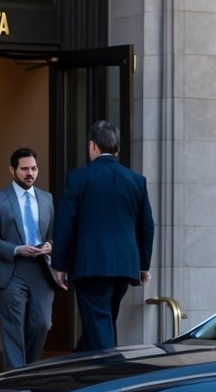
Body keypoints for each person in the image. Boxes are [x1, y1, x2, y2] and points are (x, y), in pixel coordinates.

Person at [52, 121, 155, 351]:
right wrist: (142, 266)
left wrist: (59, 264)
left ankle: (111, 378)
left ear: (92, 146)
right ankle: (80, 374)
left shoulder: (78, 178)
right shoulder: (136, 180)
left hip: (91, 266)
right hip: (124, 267)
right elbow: (146, 226)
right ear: (115, 148)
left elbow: (65, 222)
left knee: (99, 328)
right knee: (100, 325)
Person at [0, 148, 63, 370]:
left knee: (42, 324)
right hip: (11, 269)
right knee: (13, 328)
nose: (30, 173)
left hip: (41, 269)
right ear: (12, 170)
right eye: (25, 169)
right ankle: (17, 381)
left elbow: (57, 233)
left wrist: (51, 245)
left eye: (34, 168)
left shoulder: (47, 199)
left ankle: (27, 371)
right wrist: (17, 249)